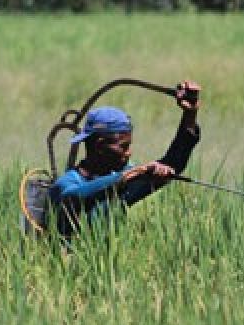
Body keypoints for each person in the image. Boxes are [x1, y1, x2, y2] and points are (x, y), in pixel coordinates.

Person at [49, 80, 201, 239]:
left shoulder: (124, 180)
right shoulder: (66, 183)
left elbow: (172, 164)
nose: (129, 153)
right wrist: (133, 174)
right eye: (123, 146)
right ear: (100, 146)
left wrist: (190, 115)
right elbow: (75, 196)